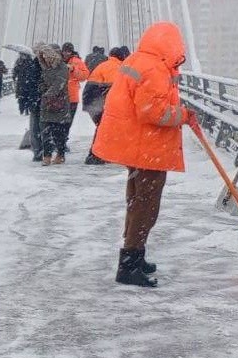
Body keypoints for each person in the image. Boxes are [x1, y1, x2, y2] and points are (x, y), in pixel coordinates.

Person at [92, 22, 194, 288]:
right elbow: (153, 111)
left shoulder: (139, 60)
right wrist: (183, 115)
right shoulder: (154, 68)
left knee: (136, 200)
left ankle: (136, 256)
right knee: (146, 205)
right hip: (147, 147)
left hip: (138, 145)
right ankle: (129, 265)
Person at [82, 46, 126, 165]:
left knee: (104, 127)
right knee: (104, 128)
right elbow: (113, 89)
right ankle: (95, 156)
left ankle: (99, 155)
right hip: (98, 102)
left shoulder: (104, 64)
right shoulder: (117, 67)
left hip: (90, 100)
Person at [36, 44, 71, 166]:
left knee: (58, 133)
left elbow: (59, 83)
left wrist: (48, 94)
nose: (46, 57)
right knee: (45, 131)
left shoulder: (62, 67)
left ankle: (60, 155)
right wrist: (42, 88)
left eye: (47, 55)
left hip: (59, 104)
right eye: (44, 55)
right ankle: (47, 156)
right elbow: (42, 81)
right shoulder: (46, 68)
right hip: (46, 105)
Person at [13, 52, 43, 161]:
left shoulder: (25, 64)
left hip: (29, 93)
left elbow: (16, 73)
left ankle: (38, 151)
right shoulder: (35, 65)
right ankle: (40, 150)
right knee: (38, 126)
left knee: (35, 125)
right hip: (38, 99)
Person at [61, 42, 89, 147]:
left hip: (72, 97)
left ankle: (63, 141)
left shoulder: (77, 61)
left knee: (68, 122)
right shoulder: (57, 61)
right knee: (58, 122)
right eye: (64, 51)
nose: (66, 53)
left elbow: (85, 76)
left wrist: (73, 69)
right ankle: (59, 142)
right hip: (58, 97)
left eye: (68, 51)